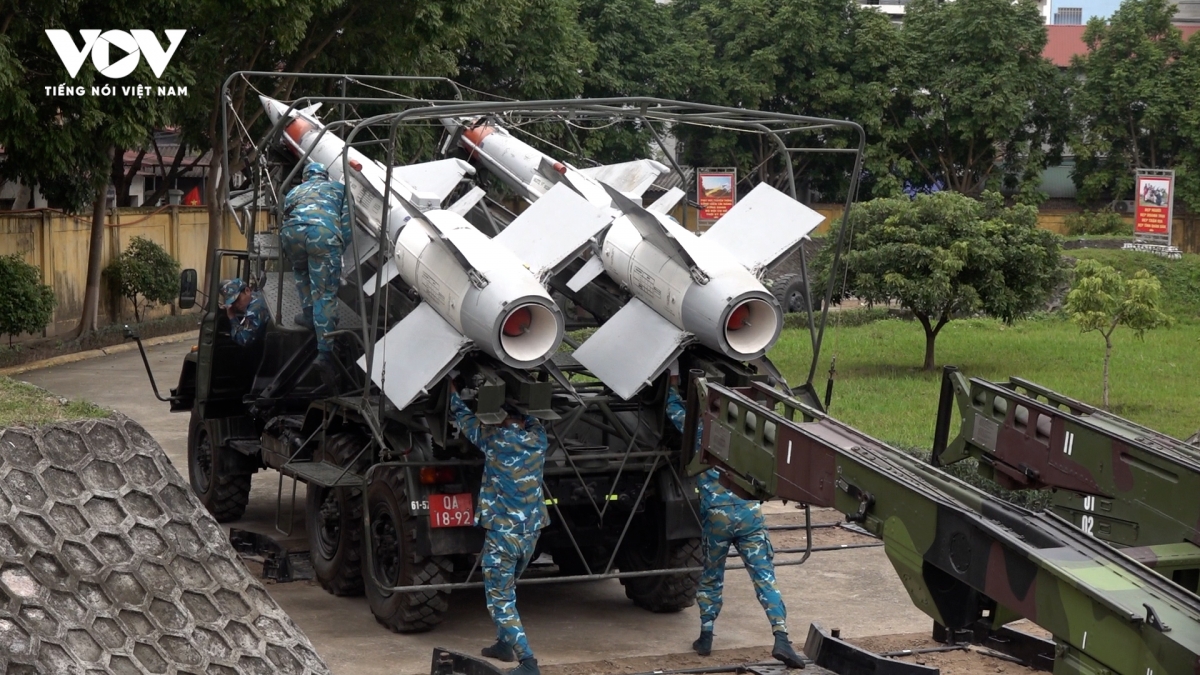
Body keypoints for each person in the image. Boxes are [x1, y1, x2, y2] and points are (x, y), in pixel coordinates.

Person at [665, 379, 805, 669]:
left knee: (712, 575)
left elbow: (674, 412)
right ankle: (781, 637)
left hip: (717, 517)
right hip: (748, 514)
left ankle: (706, 636)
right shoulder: (748, 439)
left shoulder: (701, 432)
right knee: (764, 577)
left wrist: (671, 386)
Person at [449, 380, 549, 675]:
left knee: (500, 599)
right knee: (509, 588)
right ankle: (504, 645)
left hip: (503, 536)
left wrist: (454, 392)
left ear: (500, 418)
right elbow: (533, 419)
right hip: (530, 533)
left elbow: (463, 418)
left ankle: (528, 661)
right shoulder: (538, 438)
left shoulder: (492, 440)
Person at [279, 161, 352, 383]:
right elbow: (347, 226)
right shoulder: (339, 189)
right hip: (323, 234)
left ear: (305, 178)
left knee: (301, 271)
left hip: (291, 234)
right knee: (325, 293)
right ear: (325, 176)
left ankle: (309, 316)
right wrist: (338, 251)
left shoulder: (293, 191)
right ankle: (325, 355)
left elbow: (286, 216)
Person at [218, 278, 270, 347]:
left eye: (237, 299)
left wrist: (232, 317)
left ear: (247, 291)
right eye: (233, 302)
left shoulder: (254, 311)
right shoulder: (257, 297)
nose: (236, 305)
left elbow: (243, 339)